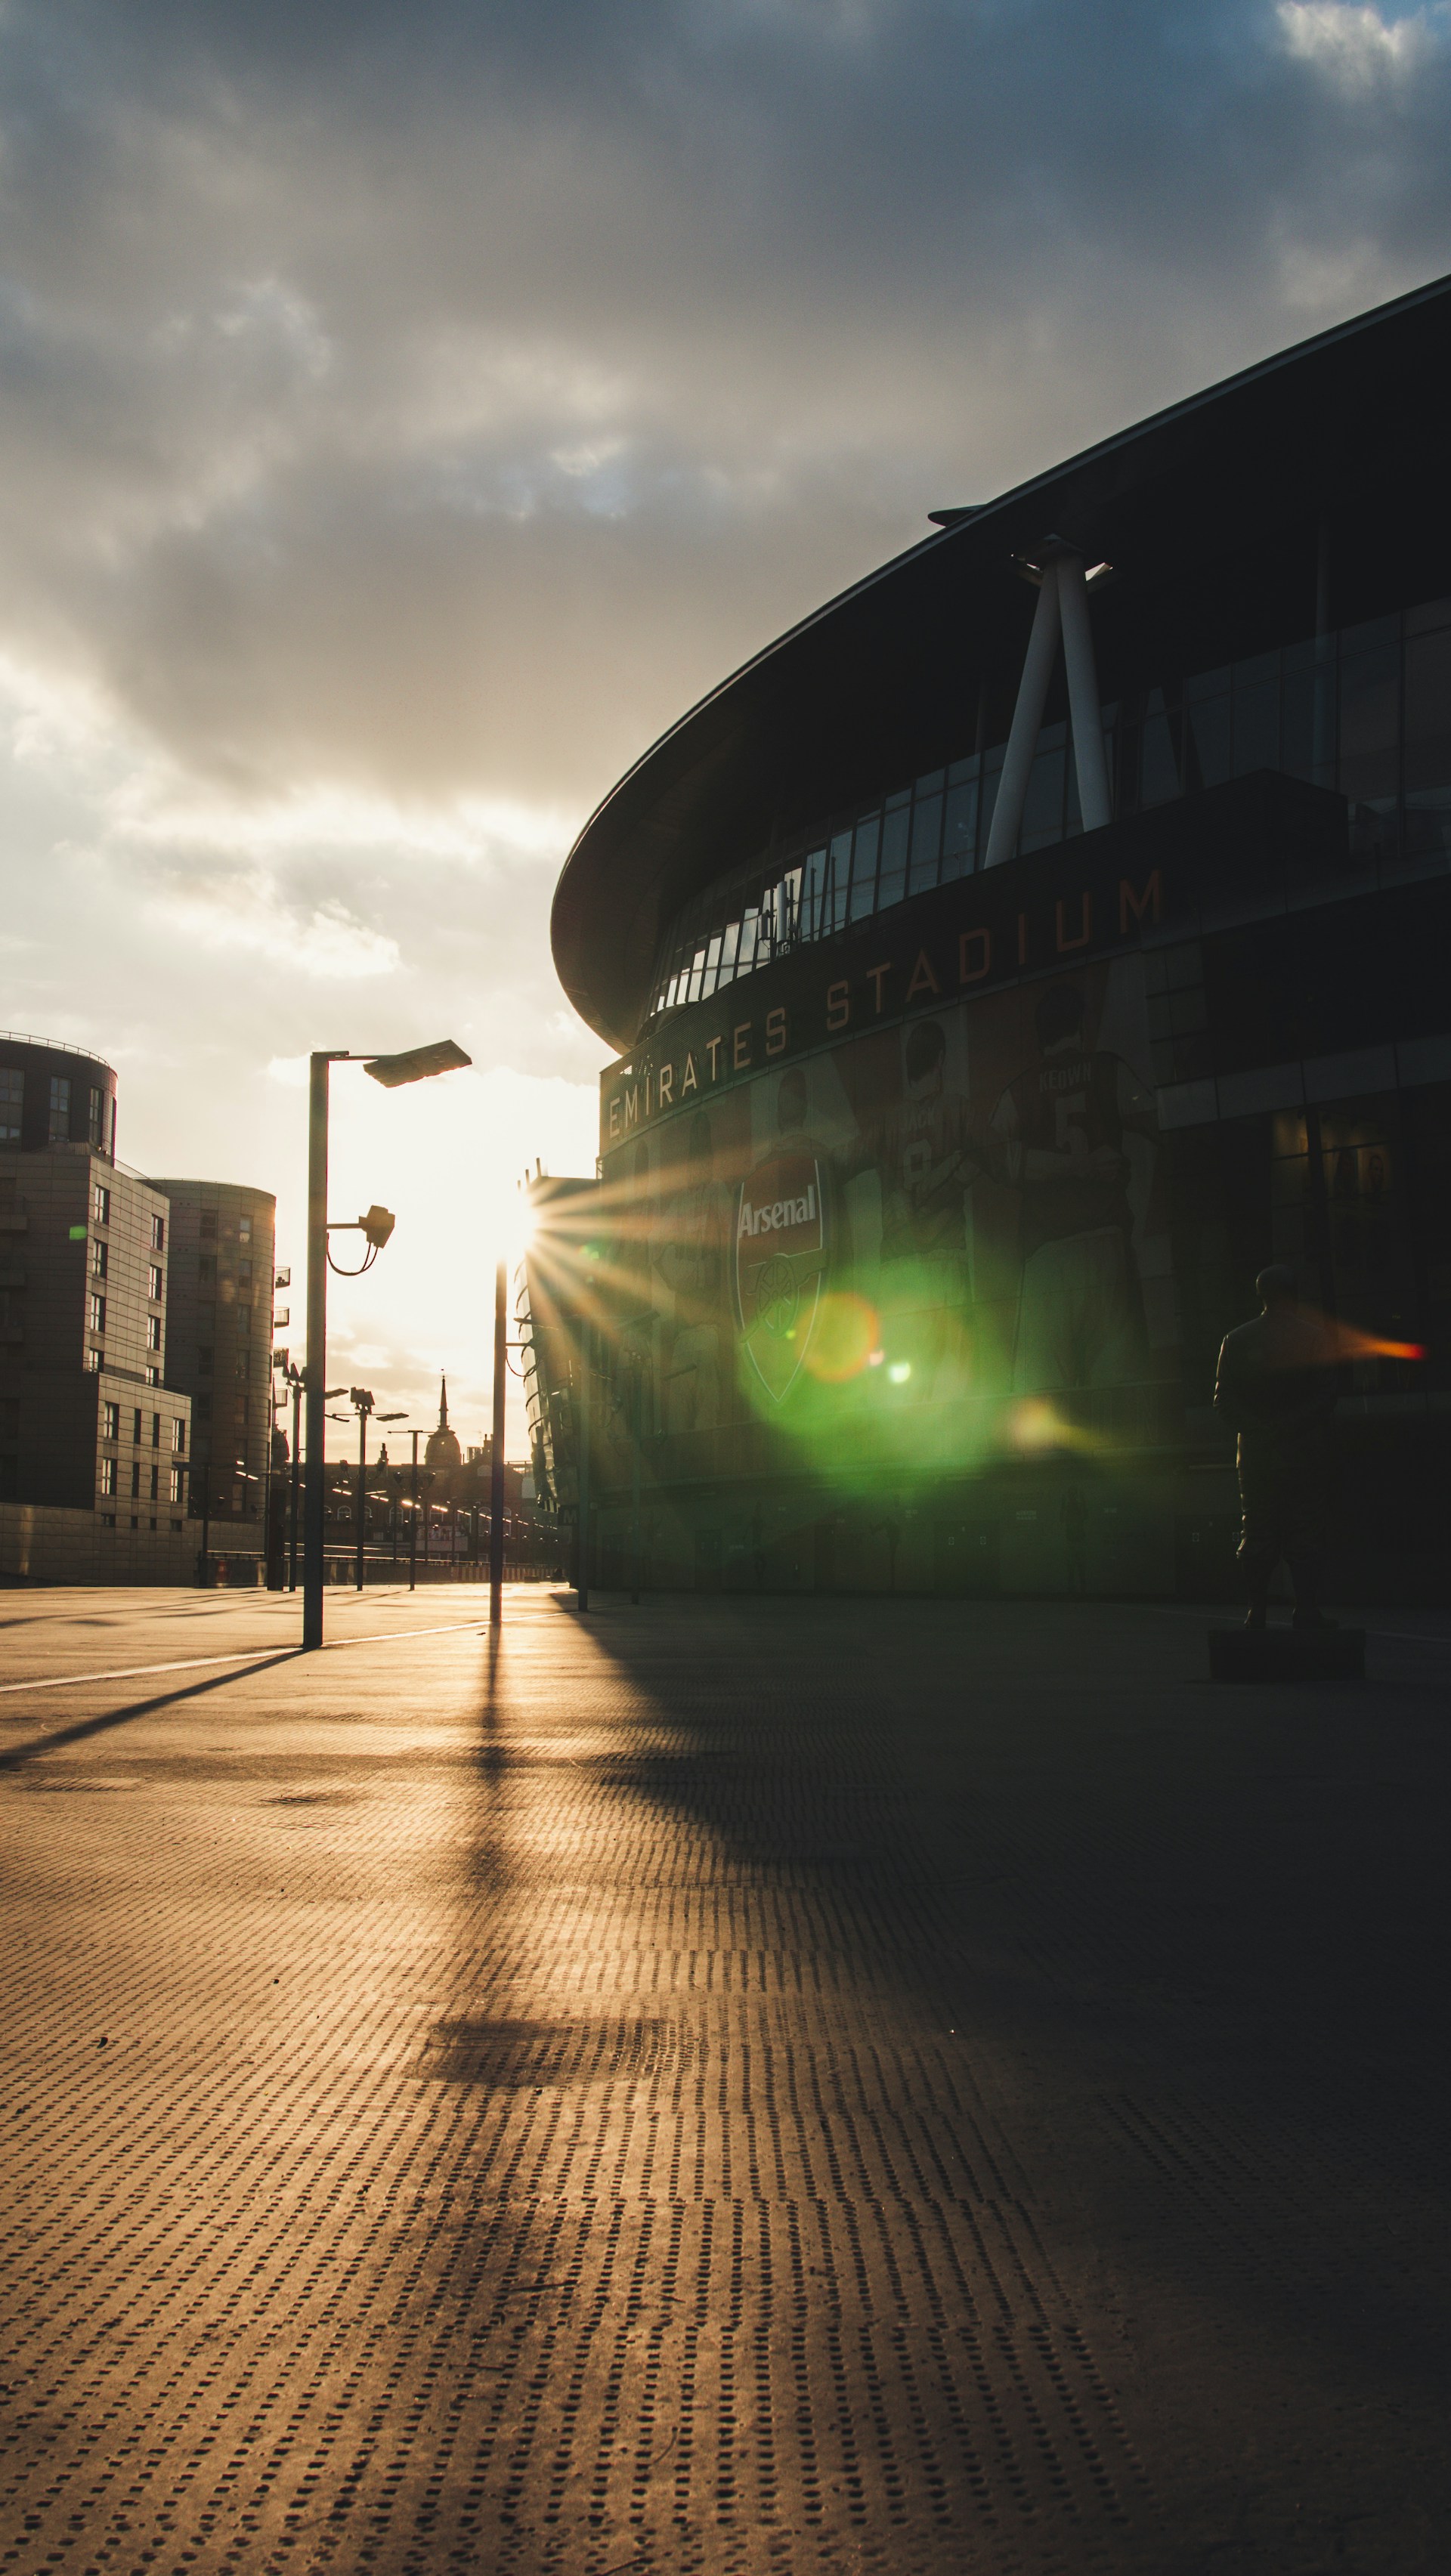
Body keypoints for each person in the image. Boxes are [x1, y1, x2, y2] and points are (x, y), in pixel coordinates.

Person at [989, 982, 1158, 1393]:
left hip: (1046, 1254)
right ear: (1080, 1026)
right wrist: (1088, 1163)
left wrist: (1059, 1166)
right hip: (1106, 1245)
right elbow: (1160, 1121)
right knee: (1120, 1395)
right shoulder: (1108, 1070)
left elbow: (993, 1155)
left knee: (1042, 1399)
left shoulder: (1018, 1091)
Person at [1213, 1265, 1341, 1631]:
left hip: (1255, 1453)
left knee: (1256, 1530)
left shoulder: (1236, 1339)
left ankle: (1257, 1612)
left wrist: (1260, 1431)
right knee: (1306, 1530)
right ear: (1294, 1295)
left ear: (1261, 1296)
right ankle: (1307, 1609)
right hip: (1304, 1450)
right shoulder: (1316, 1337)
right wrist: (1290, 1428)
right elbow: (1327, 1394)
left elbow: (1223, 1400)